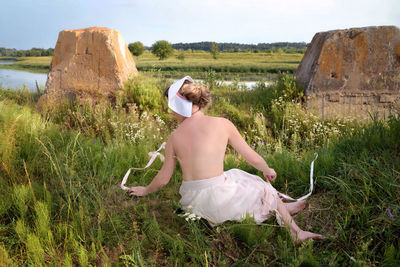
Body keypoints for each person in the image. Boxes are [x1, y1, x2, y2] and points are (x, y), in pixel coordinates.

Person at [129, 76, 324, 244]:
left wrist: (145, 190)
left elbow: (164, 178)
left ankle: (281, 208)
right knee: (260, 185)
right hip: (218, 200)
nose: (171, 113)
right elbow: (249, 155)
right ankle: (296, 232)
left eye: (171, 108)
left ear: (179, 106)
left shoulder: (174, 137)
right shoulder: (222, 124)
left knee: (235, 176)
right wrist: (266, 168)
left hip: (193, 203)